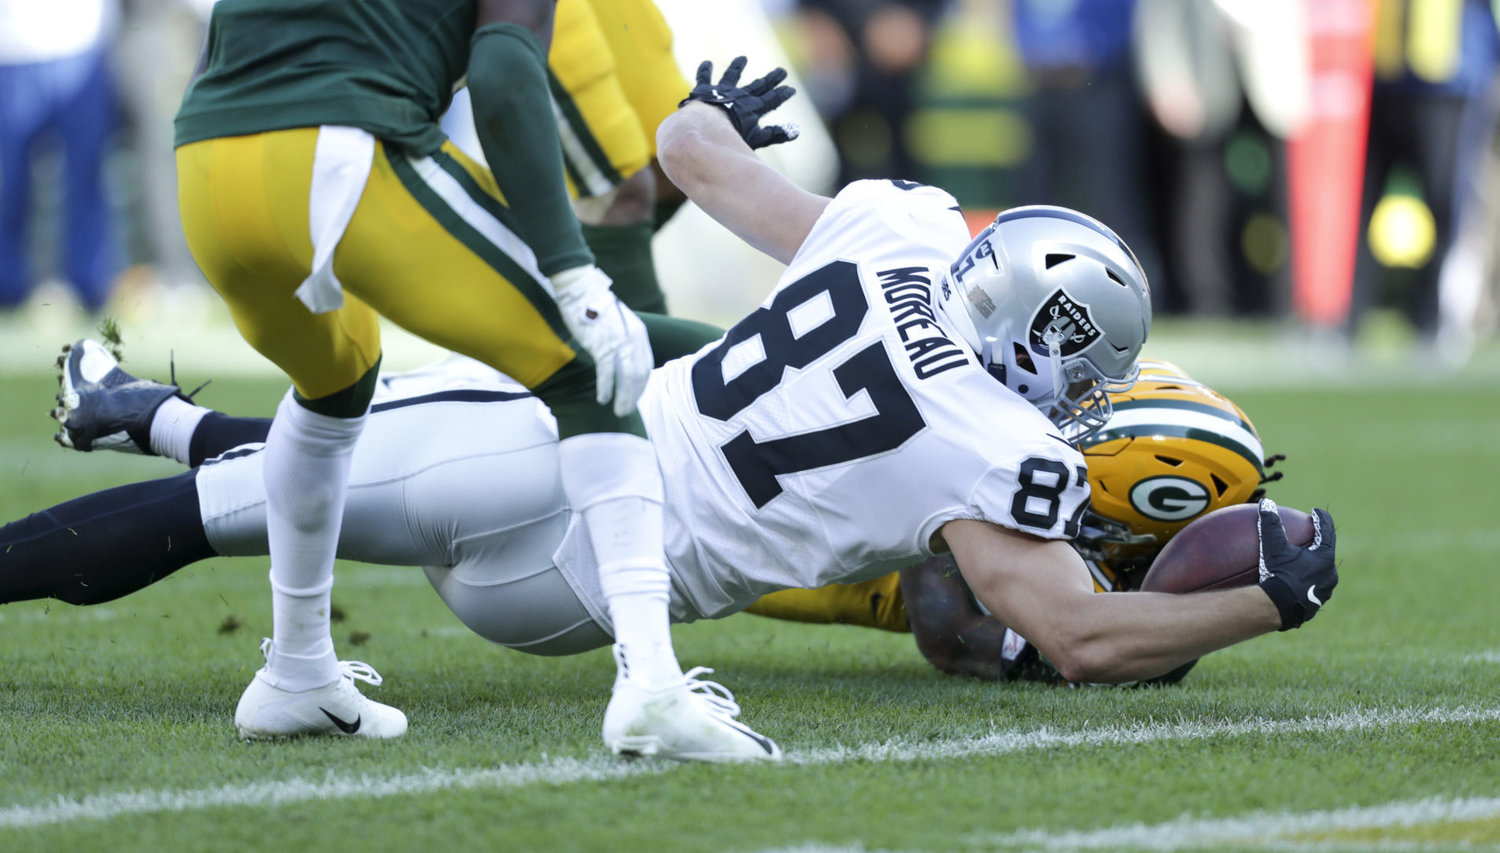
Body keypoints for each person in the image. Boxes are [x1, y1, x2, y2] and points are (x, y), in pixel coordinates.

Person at [171, 0, 778, 761]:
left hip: (206, 167)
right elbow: (502, 69)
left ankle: (297, 671)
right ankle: (653, 687)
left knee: (334, 386)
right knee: (591, 367)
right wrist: (569, 266)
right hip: (336, 153)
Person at [27, 348, 1271, 688]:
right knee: (331, 467)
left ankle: (151, 419)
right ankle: (144, 410)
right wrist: (1224, 602)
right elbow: (1000, 624)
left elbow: (981, 616)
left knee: (276, 487)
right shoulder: (995, 473)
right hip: (572, 595)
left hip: (559, 479)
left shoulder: (885, 258)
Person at [746, 360, 1282, 684]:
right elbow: (948, 634)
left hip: (767, 531)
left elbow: (951, 629)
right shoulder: (987, 457)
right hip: (757, 490)